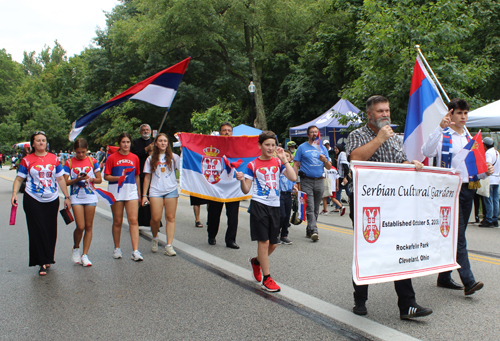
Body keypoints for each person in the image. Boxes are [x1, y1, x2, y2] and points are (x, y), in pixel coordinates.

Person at [347, 95, 432, 319]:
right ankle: (360, 298)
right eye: (379, 111)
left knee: (400, 248)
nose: (385, 114)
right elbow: (356, 159)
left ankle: (408, 305)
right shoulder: (357, 135)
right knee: (368, 248)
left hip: (393, 203)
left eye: (387, 110)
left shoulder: (394, 138)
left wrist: (410, 164)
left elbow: (399, 161)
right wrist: (379, 138)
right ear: (369, 114)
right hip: (367, 204)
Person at [421, 98, 493, 295]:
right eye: (460, 113)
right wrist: (439, 128)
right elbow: (426, 151)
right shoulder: (444, 136)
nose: (463, 117)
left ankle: (444, 277)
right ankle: (468, 281)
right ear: (450, 114)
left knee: (455, 235)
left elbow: (475, 168)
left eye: (466, 113)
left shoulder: (470, 138)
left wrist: (487, 170)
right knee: (459, 235)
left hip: (467, 188)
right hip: (448, 191)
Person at [236, 131, 297, 292]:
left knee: (273, 244)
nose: (270, 148)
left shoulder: (277, 162)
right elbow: (246, 189)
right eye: (267, 145)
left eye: (273, 145)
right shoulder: (252, 165)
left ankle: (256, 262)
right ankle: (267, 278)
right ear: (260, 145)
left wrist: (284, 160)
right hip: (259, 205)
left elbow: (292, 177)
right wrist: (242, 180)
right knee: (263, 243)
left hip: (274, 206)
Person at [11, 131, 72, 276]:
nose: (41, 143)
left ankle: (48, 257)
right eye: (38, 140)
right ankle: (41, 262)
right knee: (37, 230)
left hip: (51, 199)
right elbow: (19, 179)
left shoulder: (54, 159)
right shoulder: (27, 160)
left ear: (46, 143)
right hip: (33, 198)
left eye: (43, 140)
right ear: (33, 143)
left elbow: (61, 179)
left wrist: (67, 197)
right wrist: (14, 194)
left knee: (50, 229)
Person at [63, 138, 102, 267]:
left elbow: (99, 179)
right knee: (80, 226)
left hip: (90, 195)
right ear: (74, 151)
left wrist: (90, 179)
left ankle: (85, 255)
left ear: (87, 150)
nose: (80, 155)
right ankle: (76, 247)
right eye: (78, 152)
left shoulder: (93, 161)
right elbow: (64, 182)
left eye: (83, 152)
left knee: (89, 226)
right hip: (76, 196)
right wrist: (76, 179)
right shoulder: (69, 162)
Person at [104, 133, 143, 261]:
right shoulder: (112, 158)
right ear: (119, 144)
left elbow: (137, 175)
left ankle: (135, 251)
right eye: (123, 142)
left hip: (131, 190)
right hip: (116, 191)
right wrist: (118, 178)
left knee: (133, 220)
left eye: (128, 142)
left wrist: (139, 193)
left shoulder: (135, 158)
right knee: (117, 221)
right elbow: (106, 176)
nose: (126, 145)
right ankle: (117, 248)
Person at [142, 133, 180, 256]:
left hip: (171, 190)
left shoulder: (174, 157)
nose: (163, 143)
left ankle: (169, 245)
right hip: (155, 191)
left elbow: (183, 169)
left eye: (165, 141)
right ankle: (155, 237)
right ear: (156, 143)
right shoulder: (150, 159)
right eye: (160, 141)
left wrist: (184, 151)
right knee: (156, 218)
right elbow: (147, 177)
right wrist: (144, 195)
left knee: (170, 217)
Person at [292, 125, 332, 241]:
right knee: (309, 205)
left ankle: (309, 229)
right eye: (312, 132)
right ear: (308, 135)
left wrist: (325, 160)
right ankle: (314, 230)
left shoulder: (323, 148)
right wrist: (294, 180)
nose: (314, 134)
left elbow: (329, 166)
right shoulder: (302, 148)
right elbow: (295, 164)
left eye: (316, 132)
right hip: (306, 180)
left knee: (315, 208)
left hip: (319, 180)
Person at [206, 122, 240, 249]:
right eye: (224, 130)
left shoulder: (238, 146)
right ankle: (211, 235)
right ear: (219, 132)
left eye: (229, 130)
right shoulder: (214, 146)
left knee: (233, 215)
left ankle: (231, 240)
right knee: (214, 213)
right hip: (217, 185)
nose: (226, 132)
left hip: (233, 185)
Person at [131, 124, 154, 227]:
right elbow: (133, 156)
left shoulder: (154, 142)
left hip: (152, 174)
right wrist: (145, 149)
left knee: (152, 198)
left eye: (147, 129)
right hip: (140, 174)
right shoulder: (135, 143)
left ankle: (153, 221)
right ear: (140, 132)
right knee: (140, 198)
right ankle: (138, 221)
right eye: (143, 130)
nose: (145, 131)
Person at [479, 137, 499, 227]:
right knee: (495, 200)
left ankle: (488, 219)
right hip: (497, 178)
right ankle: (495, 218)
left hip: (490, 178)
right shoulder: (497, 153)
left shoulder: (488, 153)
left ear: (485, 145)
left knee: (488, 199)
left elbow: (488, 165)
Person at [279, 149, 297, 245]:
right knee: (281, 215)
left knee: (287, 216)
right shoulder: (277, 168)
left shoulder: (291, 170)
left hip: (288, 194)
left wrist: (294, 187)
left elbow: (293, 181)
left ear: (290, 158)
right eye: (283, 155)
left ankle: (284, 235)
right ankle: (276, 233)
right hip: (279, 194)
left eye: (287, 156)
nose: (285, 157)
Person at [334, 144, 351, 212]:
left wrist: (345, 177)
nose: (335, 150)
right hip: (342, 176)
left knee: (346, 191)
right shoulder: (340, 154)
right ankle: (337, 207)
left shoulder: (342, 154)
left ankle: (337, 207)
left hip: (343, 176)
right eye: (335, 149)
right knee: (341, 191)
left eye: (336, 149)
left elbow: (345, 166)